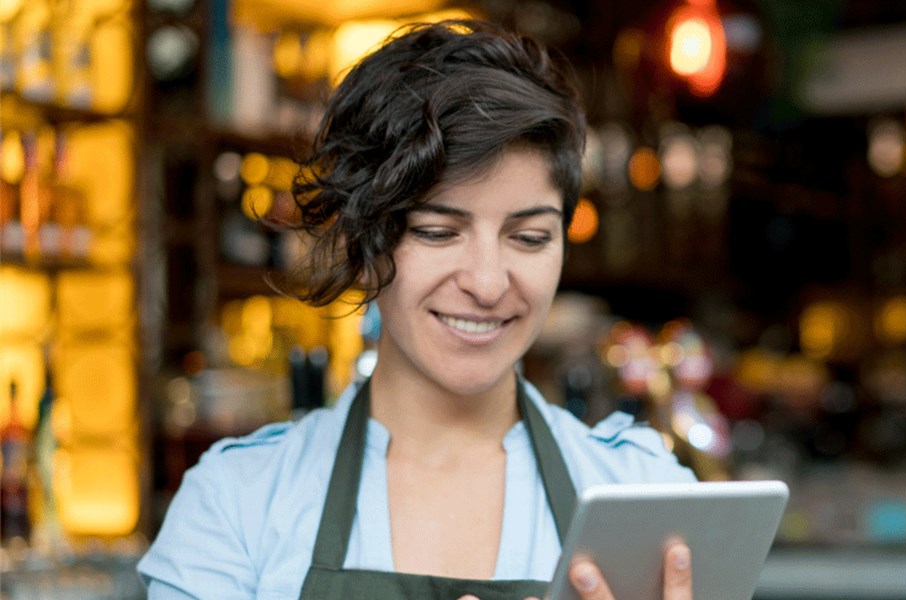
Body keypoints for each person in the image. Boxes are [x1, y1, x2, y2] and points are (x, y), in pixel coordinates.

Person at [138, 20, 697, 599]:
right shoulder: (239, 504)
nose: (486, 283)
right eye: (437, 232)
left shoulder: (643, 498)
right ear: (364, 239)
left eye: (529, 237)